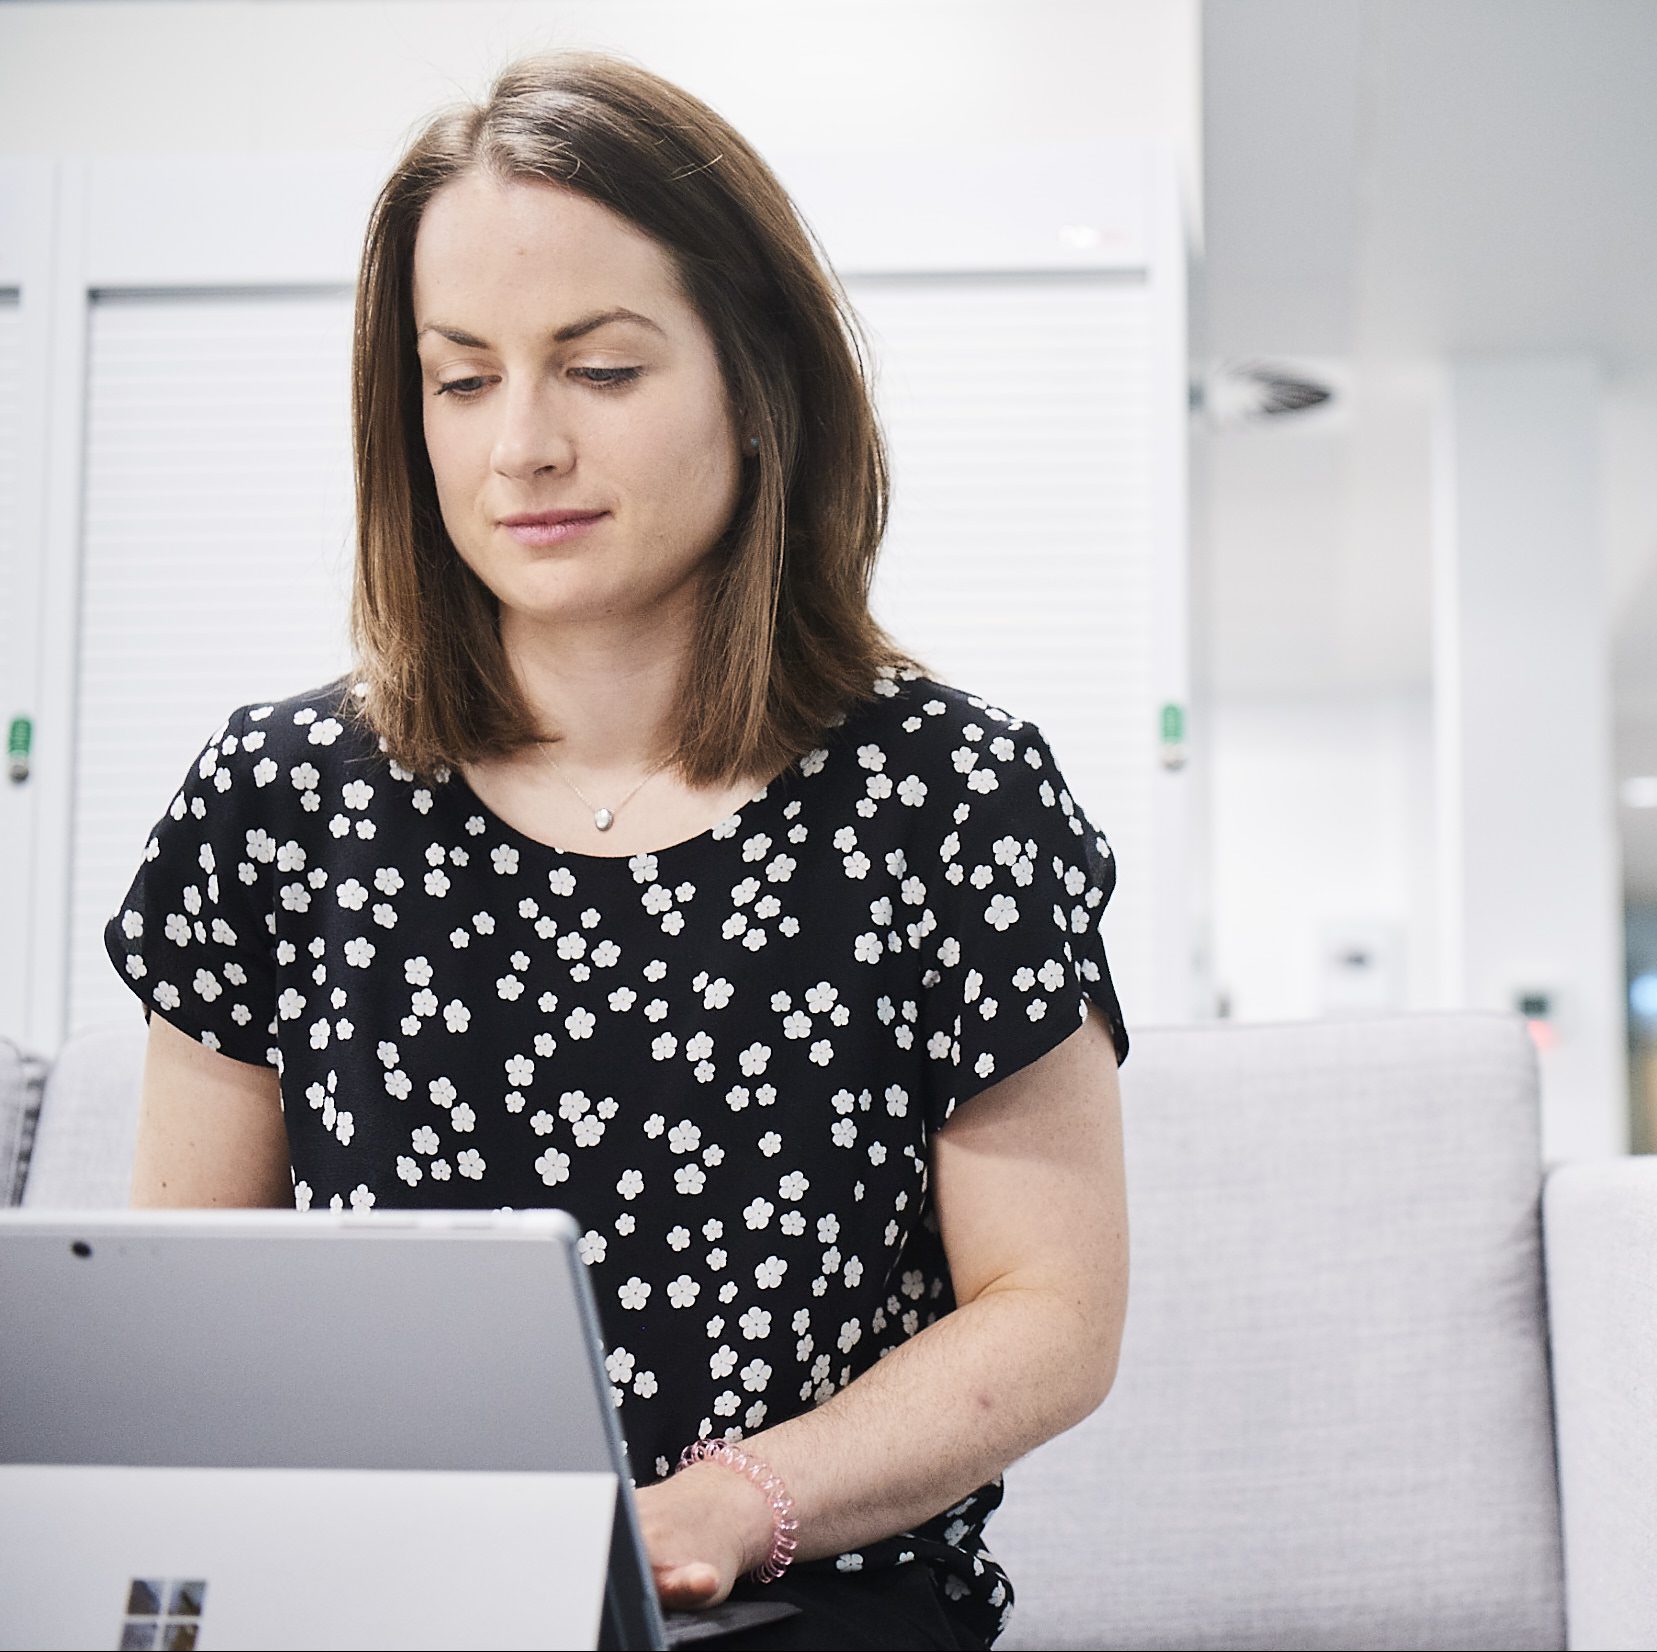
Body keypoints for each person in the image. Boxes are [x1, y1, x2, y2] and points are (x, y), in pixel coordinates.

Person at [105, 47, 1131, 1652]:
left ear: (754, 382)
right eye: (461, 378)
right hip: (387, 1611)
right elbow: (177, 1325)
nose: (519, 446)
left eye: (598, 369)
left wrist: (731, 1507)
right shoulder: (277, 802)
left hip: (811, 1605)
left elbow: (1052, 1314)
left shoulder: (950, 796)